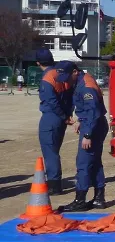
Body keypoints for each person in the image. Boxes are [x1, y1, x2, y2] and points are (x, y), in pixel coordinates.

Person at [54, 60, 108, 211]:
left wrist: (88, 134)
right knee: (95, 162)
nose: (65, 81)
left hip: (93, 126)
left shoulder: (86, 87)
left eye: (66, 76)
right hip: (93, 123)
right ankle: (99, 198)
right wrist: (80, 120)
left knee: (83, 164)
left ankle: (80, 200)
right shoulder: (82, 81)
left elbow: (93, 112)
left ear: (75, 72)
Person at [35, 49, 73, 195]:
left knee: (50, 152)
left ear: (38, 63)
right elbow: (69, 97)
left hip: (51, 116)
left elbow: (51, 101)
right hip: (62, 117)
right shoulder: (61, 73)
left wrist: (62, 116)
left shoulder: (47, 78)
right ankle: (55, 181)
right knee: (54, 150)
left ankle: (54, 185)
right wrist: (67, 116)